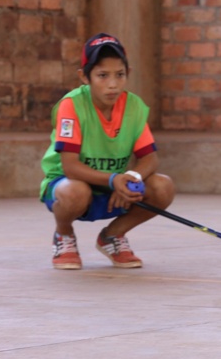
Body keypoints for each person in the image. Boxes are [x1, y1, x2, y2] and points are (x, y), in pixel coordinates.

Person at [39, 32, 175, 270]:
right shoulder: (71, 106)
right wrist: (113, 179)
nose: (113, 84)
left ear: (128, 73)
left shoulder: (133, 106)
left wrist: (131, 177)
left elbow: (150, 158)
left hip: (113, 186)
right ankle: (64, 234)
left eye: (119, 75)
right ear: (84, 77)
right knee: (75, 192)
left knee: (163, 186)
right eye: (102, 75)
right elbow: (70, 167)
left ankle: (112, 235)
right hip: (70, 184)